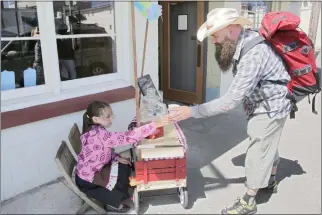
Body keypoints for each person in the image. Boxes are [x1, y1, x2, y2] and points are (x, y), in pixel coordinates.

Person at [168, 8, 292, 214]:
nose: (214, 41)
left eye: (215, 35)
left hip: (270, 107)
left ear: (231, 28)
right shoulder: (246, 41)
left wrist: (192, 112)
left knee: (258, 149)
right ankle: (269, 181)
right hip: (266, 103)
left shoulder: (254, 54)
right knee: (268, 143)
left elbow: (230, 101)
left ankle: (248, 202)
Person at [75, 101, 169, 213]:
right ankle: (113, 204)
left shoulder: (94, 129)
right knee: (121, 176)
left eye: (111, 115)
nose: (111, 119)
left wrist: (115, 157)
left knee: (124, 164)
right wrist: (154, 125)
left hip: (90, 170)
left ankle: (119, 192)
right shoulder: (98, 134)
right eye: (108, 116)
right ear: (96, 119)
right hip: (88, 180)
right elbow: (127, 137)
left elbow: (99, 152)